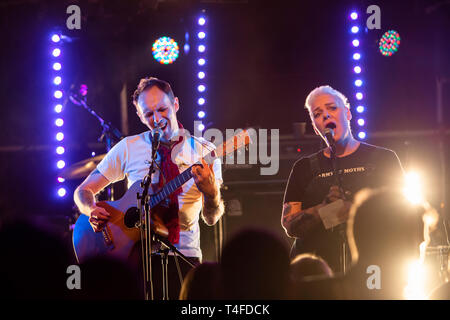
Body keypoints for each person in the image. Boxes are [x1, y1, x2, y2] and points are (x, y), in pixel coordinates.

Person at [73, 77, 224, 299]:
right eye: (149, 114)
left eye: (162, 109)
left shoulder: (205, 151)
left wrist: (211, 194)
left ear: (176, 105)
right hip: (134, 259)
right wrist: (90, 210)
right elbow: (82, 192)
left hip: (183, 257)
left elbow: (211, 218)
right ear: (140, 116)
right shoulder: (128, 147)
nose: (157, 118)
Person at [281, 85, 404, 273]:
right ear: (315, 127)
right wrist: (326, 210)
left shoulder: (383, 159)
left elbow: (402, 215)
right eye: (317, 114)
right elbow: (290, 225)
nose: (326, 116)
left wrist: (352, 210)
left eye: (332, 108)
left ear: (347, 113)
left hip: (373, 270)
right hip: (318, 275)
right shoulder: (304, 167)